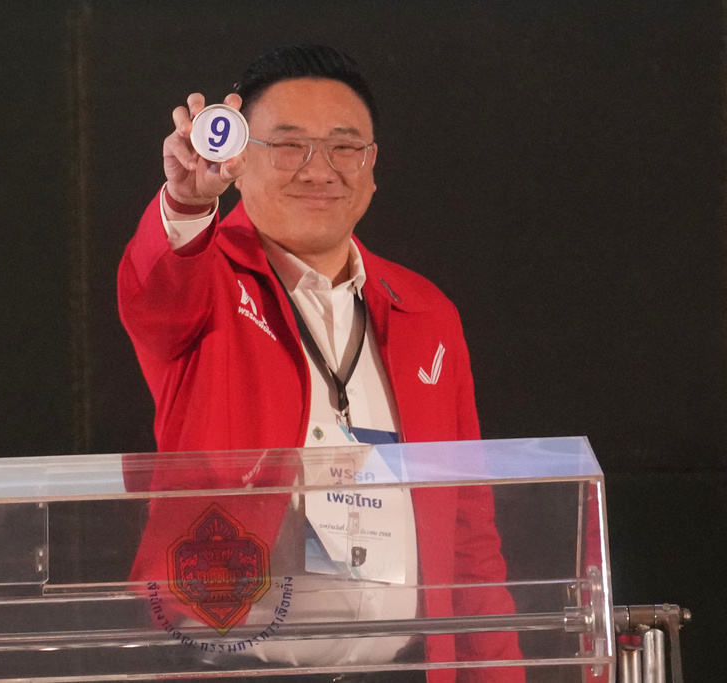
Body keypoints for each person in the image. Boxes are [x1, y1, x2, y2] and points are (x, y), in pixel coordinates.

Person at [118, 45, 523, 682]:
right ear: (238, 160)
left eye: (343, 147)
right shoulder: (208, 278)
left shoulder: (426, 311)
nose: (319, 170)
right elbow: (157, 292)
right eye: (289, 146)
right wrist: (189, 205)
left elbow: (468, 533)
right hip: (226, 668)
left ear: (372, 165)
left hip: (401, 672)